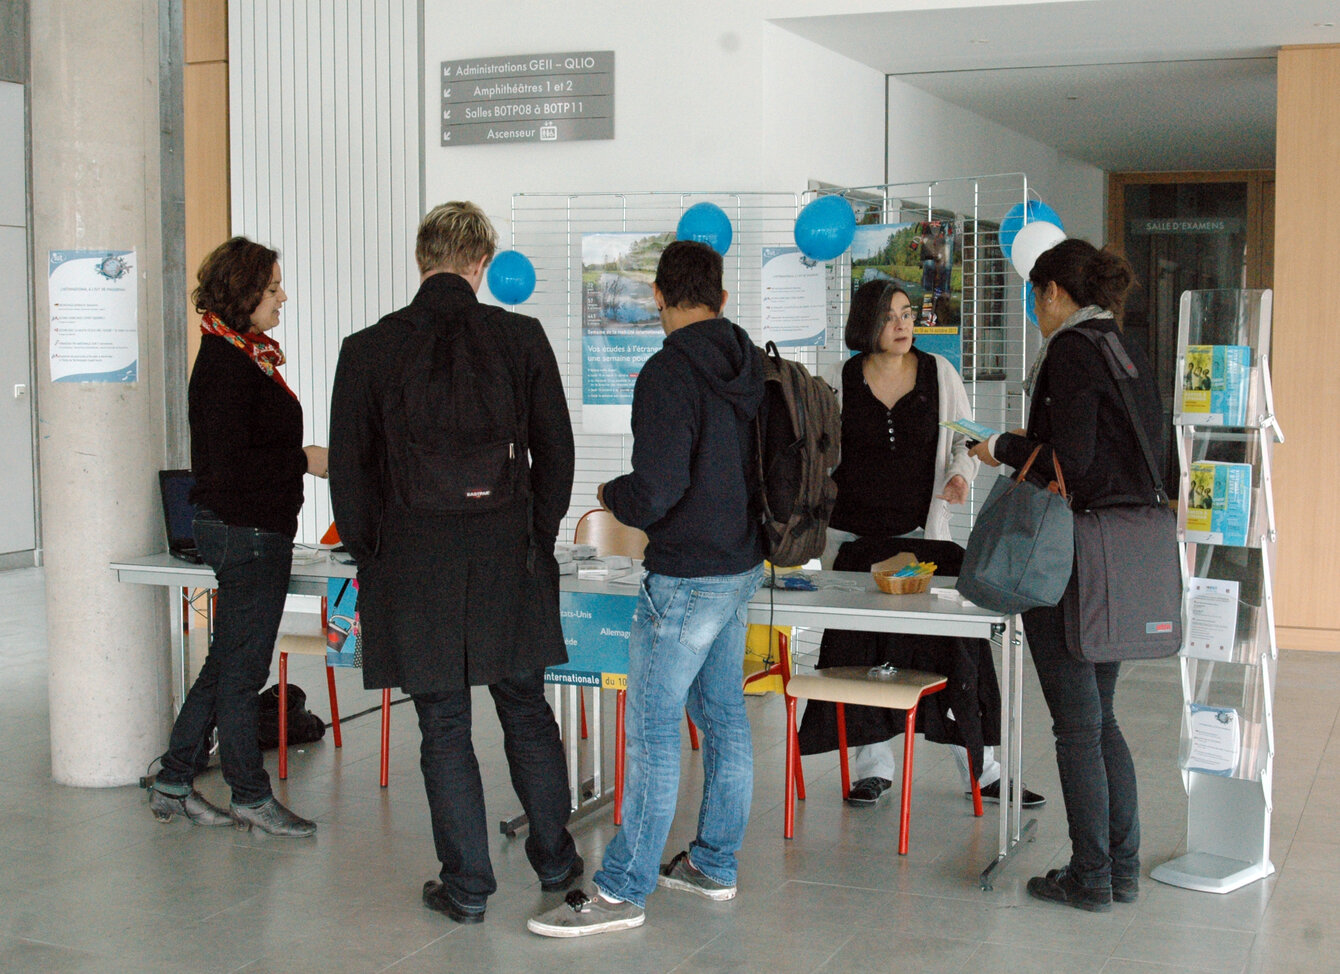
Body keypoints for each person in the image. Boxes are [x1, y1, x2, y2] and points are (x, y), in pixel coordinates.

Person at [328, 201, 581, 924]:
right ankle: (555, 859)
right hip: (510, 557)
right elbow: (556, 453)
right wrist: (535, 532)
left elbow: (351, 475)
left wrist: (378, 552)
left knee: (442, 725)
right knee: (526, 711)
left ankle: (468, 886)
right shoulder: (521, 337)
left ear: (421, 260)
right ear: (480, 265)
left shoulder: (368, 349)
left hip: (414, 561)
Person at [528, 240, 765, 938]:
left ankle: (623, 887)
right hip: (740, 566)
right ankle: (714, 863)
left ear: (659, 296)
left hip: (688, 575)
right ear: (721, 298)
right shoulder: (751, 362)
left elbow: (657, 490)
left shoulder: (667, 372)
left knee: (655, 729)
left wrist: (613, 494)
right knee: (723, 718)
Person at [797, 280, 1044, 810]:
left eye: (908, 314)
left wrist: (959, 474)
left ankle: (982, 770)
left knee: (951, 649)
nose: (902, 325)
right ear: (867, 324)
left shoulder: (939, 373)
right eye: (890, 317)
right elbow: (817, 452)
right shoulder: (836, 380)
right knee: (861, 654)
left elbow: (964, 436)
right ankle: (873, 767)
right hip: (852, 540)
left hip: (920, 535)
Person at [969, 238, 1157, 912]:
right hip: (1123, 553)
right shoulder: (1126, 350)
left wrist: (1000, 447)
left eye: (1035, 298)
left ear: (1052, 293)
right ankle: (1122, 868)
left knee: (1077, 725)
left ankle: (1091, 876)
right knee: (1101, 717)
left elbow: (1067, 459)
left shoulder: (1073, 351)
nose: (1034, 312)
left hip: (1070, 555)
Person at [148, 237, 325, 837]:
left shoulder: (241, 355)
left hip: (253, 529)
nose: (282, 298)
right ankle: (250, 794)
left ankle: (174, 780)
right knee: (243, 671)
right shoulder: (225, 365)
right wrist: (303, 459)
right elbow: (231, 467)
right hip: (247, 533)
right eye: (273, 288)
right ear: (245, 293)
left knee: (224, 664)